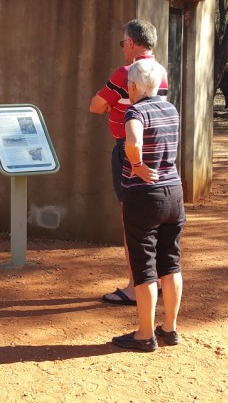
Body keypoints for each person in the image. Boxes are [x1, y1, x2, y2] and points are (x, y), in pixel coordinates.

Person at [88, 19, 167, 306]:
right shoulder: (161, 72)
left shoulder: (126, 72)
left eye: (123, 42)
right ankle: (153, 280)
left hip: (129, 148)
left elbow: (95, 105)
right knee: (153, 219)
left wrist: (112, 103)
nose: (122, 47)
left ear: (132, 43)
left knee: (131, 219)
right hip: (157, 148)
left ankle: (136, 285)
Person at [111, 58, 184, 352]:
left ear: (132, 86)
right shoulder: (171, 109)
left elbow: (133, 141)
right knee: (171, 263)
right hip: (174, 193)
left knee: (144, 268)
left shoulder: (136, 111)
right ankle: (170, 328)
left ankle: (144, 334)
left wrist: (137, 164)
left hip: (144, 197)